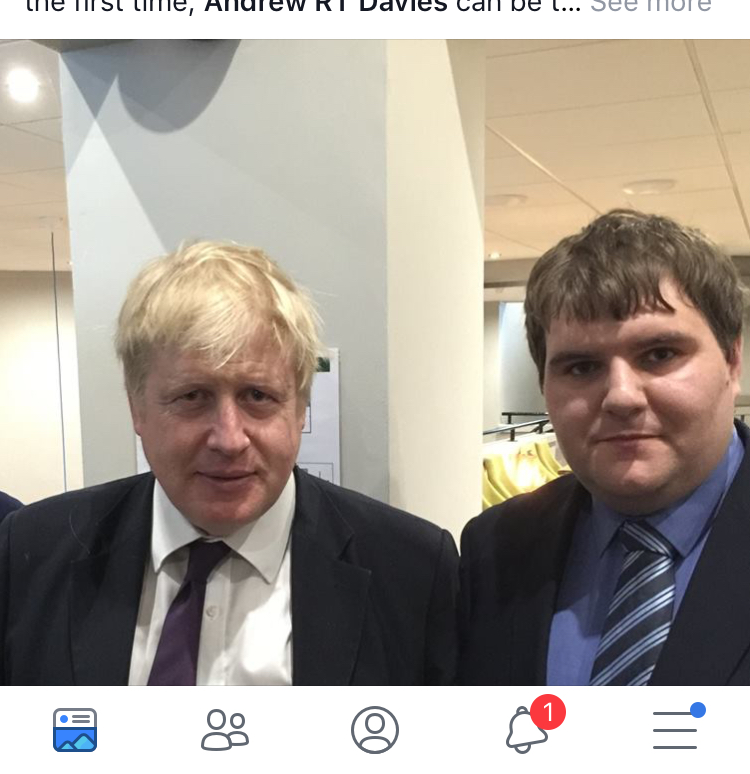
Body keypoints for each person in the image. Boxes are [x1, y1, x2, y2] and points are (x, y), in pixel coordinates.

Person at [0, 241, 457, 686]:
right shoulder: (31, 552)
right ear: (137, 408)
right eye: (192, 397)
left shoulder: (413, 572)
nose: (229, 439)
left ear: (301, 409)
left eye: (258, 396)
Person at [460, 209, 750, 686]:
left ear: (732, 360)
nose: (621, 396)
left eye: (659, 354)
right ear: (544, 384)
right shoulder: (496, 547)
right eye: (581, 367)